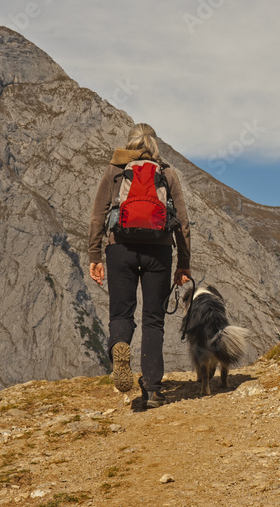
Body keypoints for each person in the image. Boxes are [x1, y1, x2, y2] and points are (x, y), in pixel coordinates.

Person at [88, 123, 191, 409]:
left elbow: (98, 215)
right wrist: (183, 264)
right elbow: (182, 223)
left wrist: (94, 256)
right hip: (158, 250)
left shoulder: (116, 170)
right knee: (153, 319)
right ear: (155, 146)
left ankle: (120, 344)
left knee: (122, 312)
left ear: (130, 144)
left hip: (120, 248)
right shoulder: (167, 173)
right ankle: (153, 390)